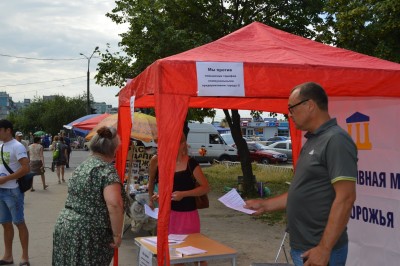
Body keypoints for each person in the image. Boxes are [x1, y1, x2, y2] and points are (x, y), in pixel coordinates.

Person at [245, 82, 357, 266]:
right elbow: (303, 191)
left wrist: (324, 248)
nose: (289, 114)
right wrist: (265, 205)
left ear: (310, 105)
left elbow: (346, 198)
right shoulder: (314, 140)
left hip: (319, 250)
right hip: (304, 247)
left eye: (292, 108)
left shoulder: (336, 140)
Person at [52, 126, 129, 265]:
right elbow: (114, 204)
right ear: (113, 150)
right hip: (88, 234)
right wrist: (117, 234)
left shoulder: (83, 166)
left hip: (66, 226)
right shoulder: (106, 171)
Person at [0, 119, 30, 266]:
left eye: (0, 129)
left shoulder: (17, 146)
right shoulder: (0, 146)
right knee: (5, 224)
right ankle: (8, 256)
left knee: (19, 222)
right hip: (1, 190)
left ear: (8, 130)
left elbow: (26, 168)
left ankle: (25, 257)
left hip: (13, 190)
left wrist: (6, 179)